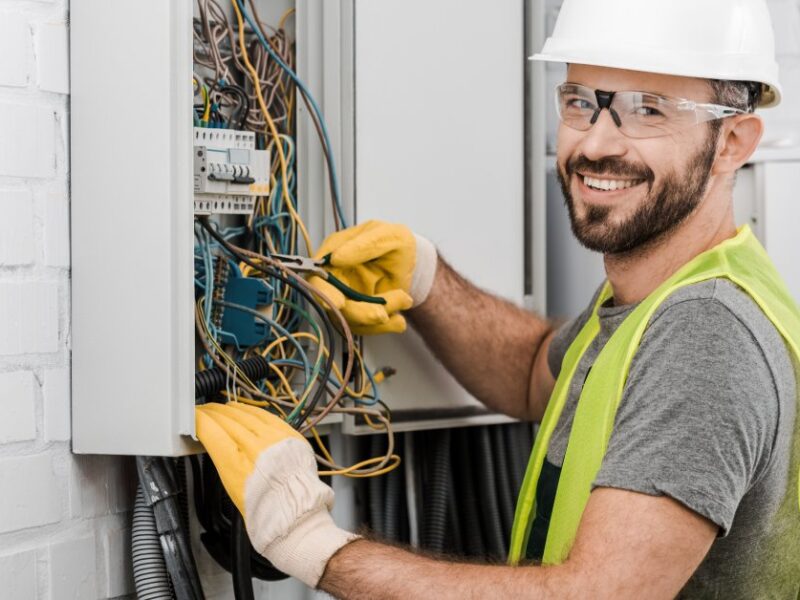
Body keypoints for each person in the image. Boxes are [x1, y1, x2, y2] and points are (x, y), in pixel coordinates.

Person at [195, 0, 800, 597]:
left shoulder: (705, 331)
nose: (596, 144)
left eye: (649, 111)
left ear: (732, 141)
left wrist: (313, 546)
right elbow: (538, 372)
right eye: (581, 102)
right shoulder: (656, 296)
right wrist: (427, 280)